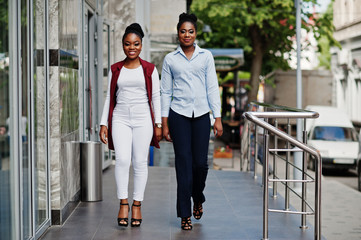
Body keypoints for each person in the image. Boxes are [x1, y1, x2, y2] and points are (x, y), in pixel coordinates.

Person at [160, 13, 223, 230]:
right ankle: (185, 214)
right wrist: (164, 123)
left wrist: (218, 117)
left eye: (191, 31)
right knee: (183, 164)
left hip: (202, 116)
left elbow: (212, 87)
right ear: (178, 33)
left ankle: (198, 196)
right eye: (183, 31)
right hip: (179, 115)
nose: (187, 35)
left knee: (200, 165)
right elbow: (165, 92)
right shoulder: (170, 59)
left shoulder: (206, 57)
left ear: (195, 34)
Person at [99, 23, 162, 228]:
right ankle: (123, 202)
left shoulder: (150, 69)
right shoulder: (116, 68)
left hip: (144, 119)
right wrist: (103, 123)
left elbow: (156, 97)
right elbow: (110, 96)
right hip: (120, 119)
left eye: (136, 44)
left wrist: (158, 123)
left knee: (140, 162)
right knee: (123, 160)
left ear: (141, 45)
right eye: (127, 44)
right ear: (122, 45)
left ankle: (137, 204)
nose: (131, 47)